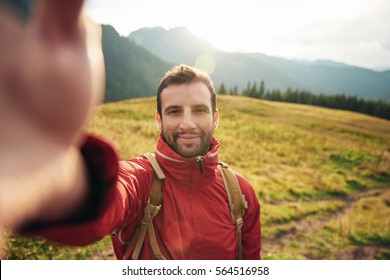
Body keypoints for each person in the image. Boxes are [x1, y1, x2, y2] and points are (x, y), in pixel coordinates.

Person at [0, 0, 261, 260]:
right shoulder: (141, 180)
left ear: (215, 118)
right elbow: (111, 200)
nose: (188, 123)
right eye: (174, 111)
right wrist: (50, 170)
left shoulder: (240, 194)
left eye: (200, 110)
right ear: (158, 120)